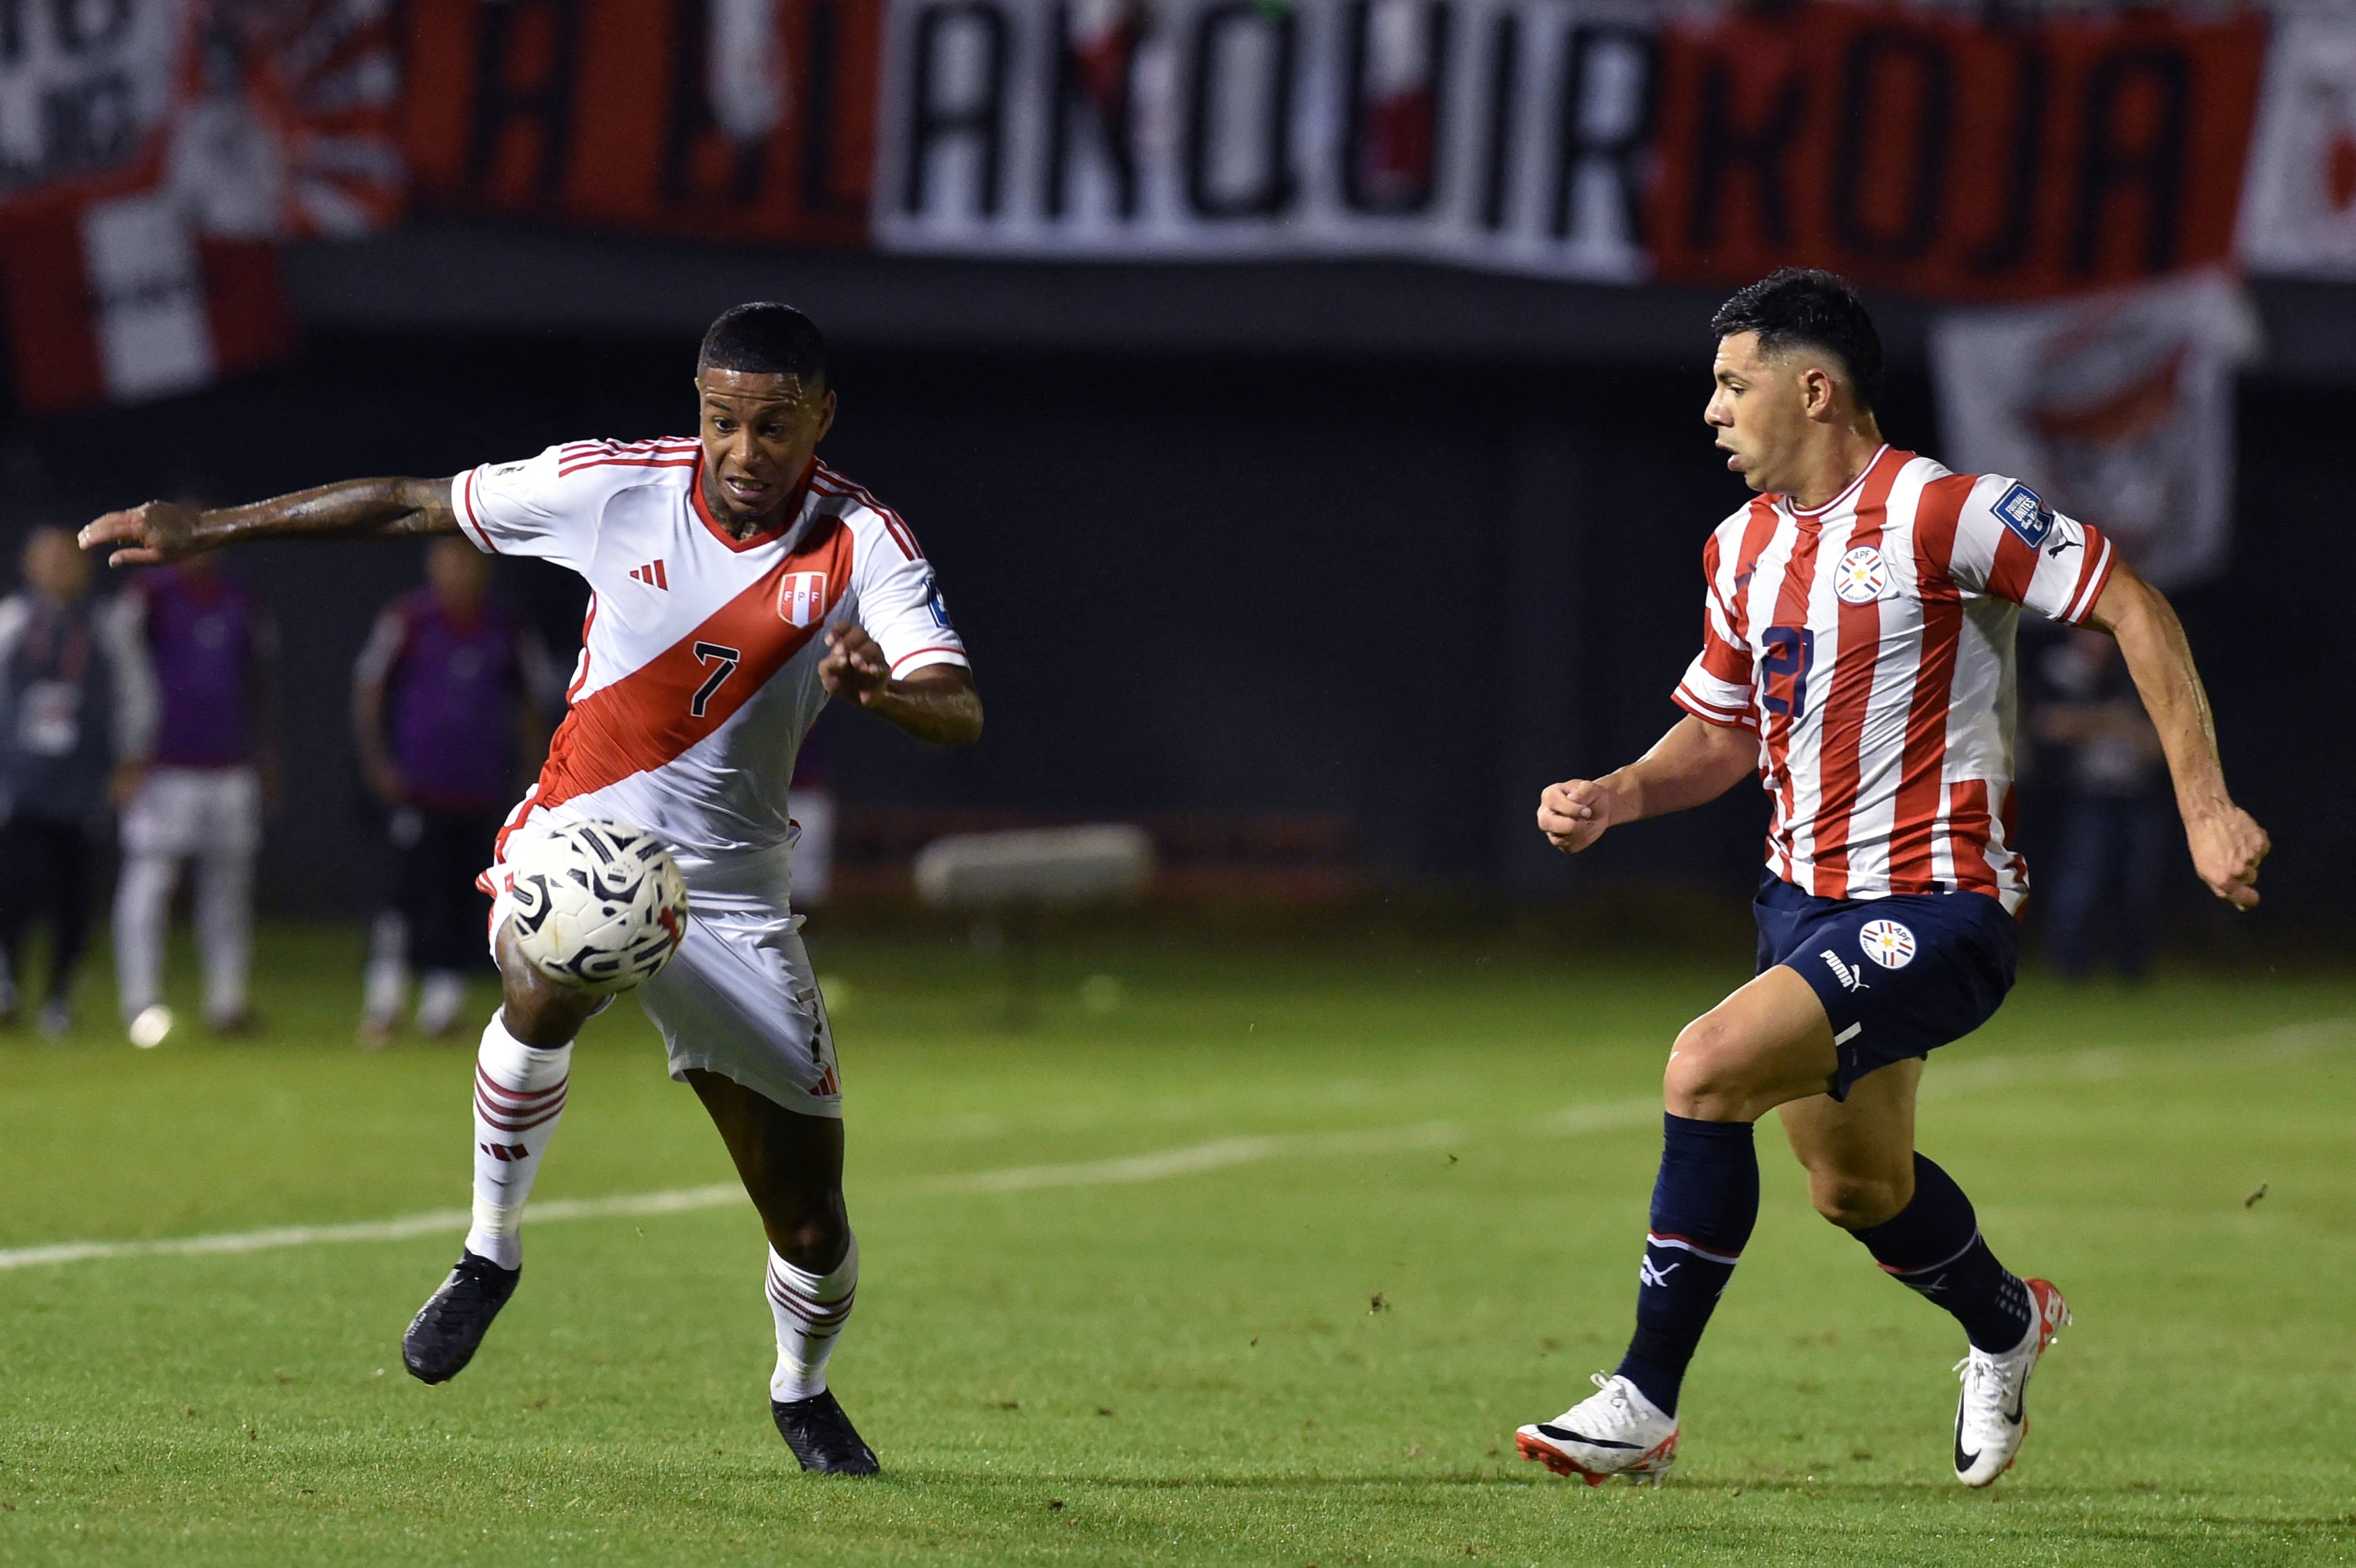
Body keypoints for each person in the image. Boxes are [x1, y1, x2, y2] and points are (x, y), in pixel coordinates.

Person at [81, 302, 981, 1476]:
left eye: (774, 425)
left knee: (811, 1222)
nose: (744, 449)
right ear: (698, 408)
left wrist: (882, 692)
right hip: (581, 833)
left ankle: (799, 1388)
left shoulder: (864, 541)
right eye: (722, 420)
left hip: (734, 898)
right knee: (550, 964)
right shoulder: (612, 487)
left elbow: (957, 705)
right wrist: (212, 526)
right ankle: (489, 1248)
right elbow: (409, 501)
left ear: (822, 417)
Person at [1514, 270, 2268, 1489]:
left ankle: (1643, 1400)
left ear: (1814, 390)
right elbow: (1723, 730)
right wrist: (1618, 791)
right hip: (1800, 907)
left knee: (1703, 1067)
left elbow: (2131, 606)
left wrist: (2203, 806)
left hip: (1939, 905)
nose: (1711, 409)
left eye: (1733, 383)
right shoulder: (1739, 547)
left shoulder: (1946, 511)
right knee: (1856, 1184)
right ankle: (2006, 1321)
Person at [353, 538, 555, 1043]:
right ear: (433, 566)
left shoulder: (506, 628)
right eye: (449, 561)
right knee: (400, 897)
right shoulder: (409, 619)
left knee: (462, 900)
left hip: (478, 790)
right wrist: (378, 762)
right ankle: (384, 1002)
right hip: (417, 789)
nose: (458, 572)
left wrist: (533, 776)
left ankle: (442, 1008)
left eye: (467, 561)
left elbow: (531, 701)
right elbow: (370, 687)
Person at [113, 549, 279, 1045]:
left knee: (229, 890)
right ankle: (140, 999)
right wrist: (126, 751)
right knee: (150, 881)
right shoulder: (148, 596)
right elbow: (119, 671)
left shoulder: (241, 598)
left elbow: (259, 678)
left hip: (230, 766)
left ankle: (227, 1002)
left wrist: (267, 754)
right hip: (161, 766)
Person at [0, 528, 156, 1036]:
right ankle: (7, 984)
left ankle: (60, 997)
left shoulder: (109, 625)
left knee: (75, 897)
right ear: (28, 565)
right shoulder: (11, 622)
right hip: (19, 783)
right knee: (12, 889)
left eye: (66, 559)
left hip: (84, 783)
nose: (57, 569)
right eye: (47, 560)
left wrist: (130, 763)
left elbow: (137, 696)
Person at [2031, 629, 2171, 980]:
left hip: (2139, 796)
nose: (2098, 643)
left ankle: (2132, 970)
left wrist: (2097, 723)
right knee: (2079, 885)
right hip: (2085, 796)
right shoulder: (2060, 670)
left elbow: (2157, 744)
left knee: (2138, 886)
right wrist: (2108, 719)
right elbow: (2050, 726)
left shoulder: (2134, 671)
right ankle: (2070, 969)